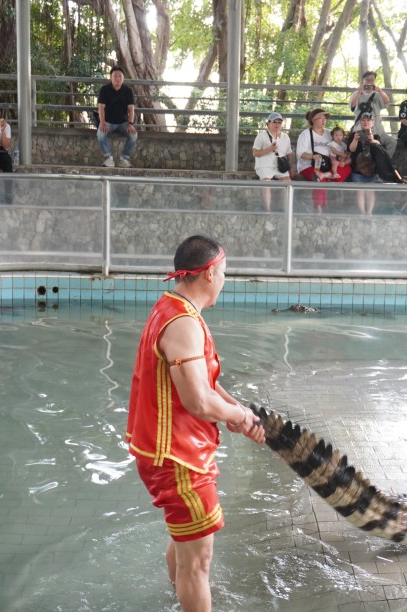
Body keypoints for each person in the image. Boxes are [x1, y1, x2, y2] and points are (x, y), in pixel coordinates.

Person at [126, 235, 266, 612]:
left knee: (184, 542)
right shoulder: (184, 324)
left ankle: (178, 600)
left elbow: (207, 385)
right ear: (208, 274)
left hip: (167, 450)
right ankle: (188, 596)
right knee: (198, 563)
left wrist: (239, 410)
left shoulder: (170, 308)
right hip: (179, 458)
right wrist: (235, 416)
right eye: (223, 273)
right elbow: (197, 400)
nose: (224, 281)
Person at [297, 108, 350, 213]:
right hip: (309, 165)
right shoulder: (306, 134)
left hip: (327, 164)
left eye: (324, 118)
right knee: (319, 179)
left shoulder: (328, 133)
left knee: (347, 168)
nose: (323, 120)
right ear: (313, 120)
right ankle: (319, 208)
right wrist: (313, 156)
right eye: (320, 118)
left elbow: (338, 146)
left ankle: (325, 174)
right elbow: (300, 153)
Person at [97, 66, 138, 168]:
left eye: (120, 76)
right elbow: (101, 108)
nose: (117, 78)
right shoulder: (104, 89)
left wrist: (131, 124)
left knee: (133, 136)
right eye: (115, 76)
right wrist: (102, 123)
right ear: (111, 77)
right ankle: (108, 158)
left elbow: (131, 109)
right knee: (100, 135)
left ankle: (124, 158)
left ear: (123, 78)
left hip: (123, 123)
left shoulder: (128, 91)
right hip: (107, 122)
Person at [251, 112, 293, 211]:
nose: (277, 124)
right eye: (274, 122)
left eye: (279, 122)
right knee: (266, 183)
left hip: (280, 166)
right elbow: (255, 153)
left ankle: (285, 210)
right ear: (268, 123)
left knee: (288, 184)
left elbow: (289, 153)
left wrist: (292, 168)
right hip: (264, 166)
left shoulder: (285, 137)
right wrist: (269, 149)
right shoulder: (261, 136)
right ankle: (267, 211)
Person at [349, 71, 396, 157]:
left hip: (378, 130)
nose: (369, 82)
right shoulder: (357, 93)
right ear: (363, 81)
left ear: (375, 81)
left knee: (392, 142)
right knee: (367, 150)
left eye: (372, 80)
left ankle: (386, 162)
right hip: (362, 130)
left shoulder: (378, 94)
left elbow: (386, 102)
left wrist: (380, 91)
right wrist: (359, 92)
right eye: (367, 80)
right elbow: (352, 107)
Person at [347, 113, 383, 215]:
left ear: (372, 123)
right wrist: (355, 139)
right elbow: (351, 149)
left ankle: (369, 213)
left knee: (370, 190)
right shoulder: (354, 135)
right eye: (363, 120)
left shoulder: (376, 136)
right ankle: (362, 213)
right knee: (360, 190)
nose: (365, 122)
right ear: (360, 122)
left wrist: (372, 140)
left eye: (368, 120)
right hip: (357, 170)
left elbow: (380, 148)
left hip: (371, 170)